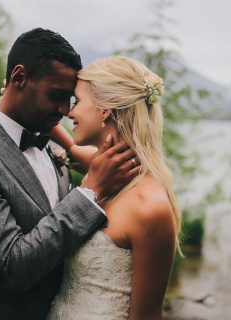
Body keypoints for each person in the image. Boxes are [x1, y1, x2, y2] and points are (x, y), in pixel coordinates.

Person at [0, 28, 139, 320]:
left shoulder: (49, 141)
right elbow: (11, 267)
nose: (65, 111)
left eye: (70, 99)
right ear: (19, 78)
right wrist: (89, 191)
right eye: (56, 96)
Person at [46, 56, 181, 320]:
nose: (69, 112)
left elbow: (147, 316)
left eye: (78, 102)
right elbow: (73, 151)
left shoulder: (149, 206)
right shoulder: (105, 171)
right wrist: (25, 105)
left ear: (105, 109)